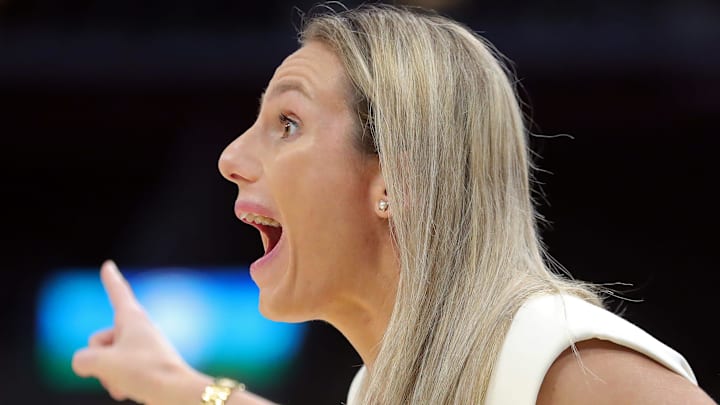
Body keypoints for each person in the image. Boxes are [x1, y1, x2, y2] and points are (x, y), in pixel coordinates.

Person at [72, 4, 716, 405]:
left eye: (288, 122)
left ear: (396, 177)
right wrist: (176, 385)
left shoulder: (563, 359)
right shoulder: (383, 388)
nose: (230, 158)